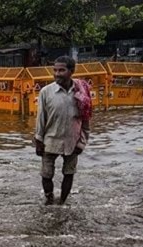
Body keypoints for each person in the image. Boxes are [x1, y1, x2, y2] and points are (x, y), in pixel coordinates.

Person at [34, 56, 91, 205]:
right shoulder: (46, 92)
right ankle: (49, 200)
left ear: (71, 71)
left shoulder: (82, 92)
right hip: (50, 140)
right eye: (55, 70)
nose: (57, 73)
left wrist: (82, 143)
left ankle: (62, 203)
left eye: (61, 70)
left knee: (69, 173)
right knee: (46, 174)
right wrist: (38, 140)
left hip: (73, 140)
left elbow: (85, 119)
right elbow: (41, 118)